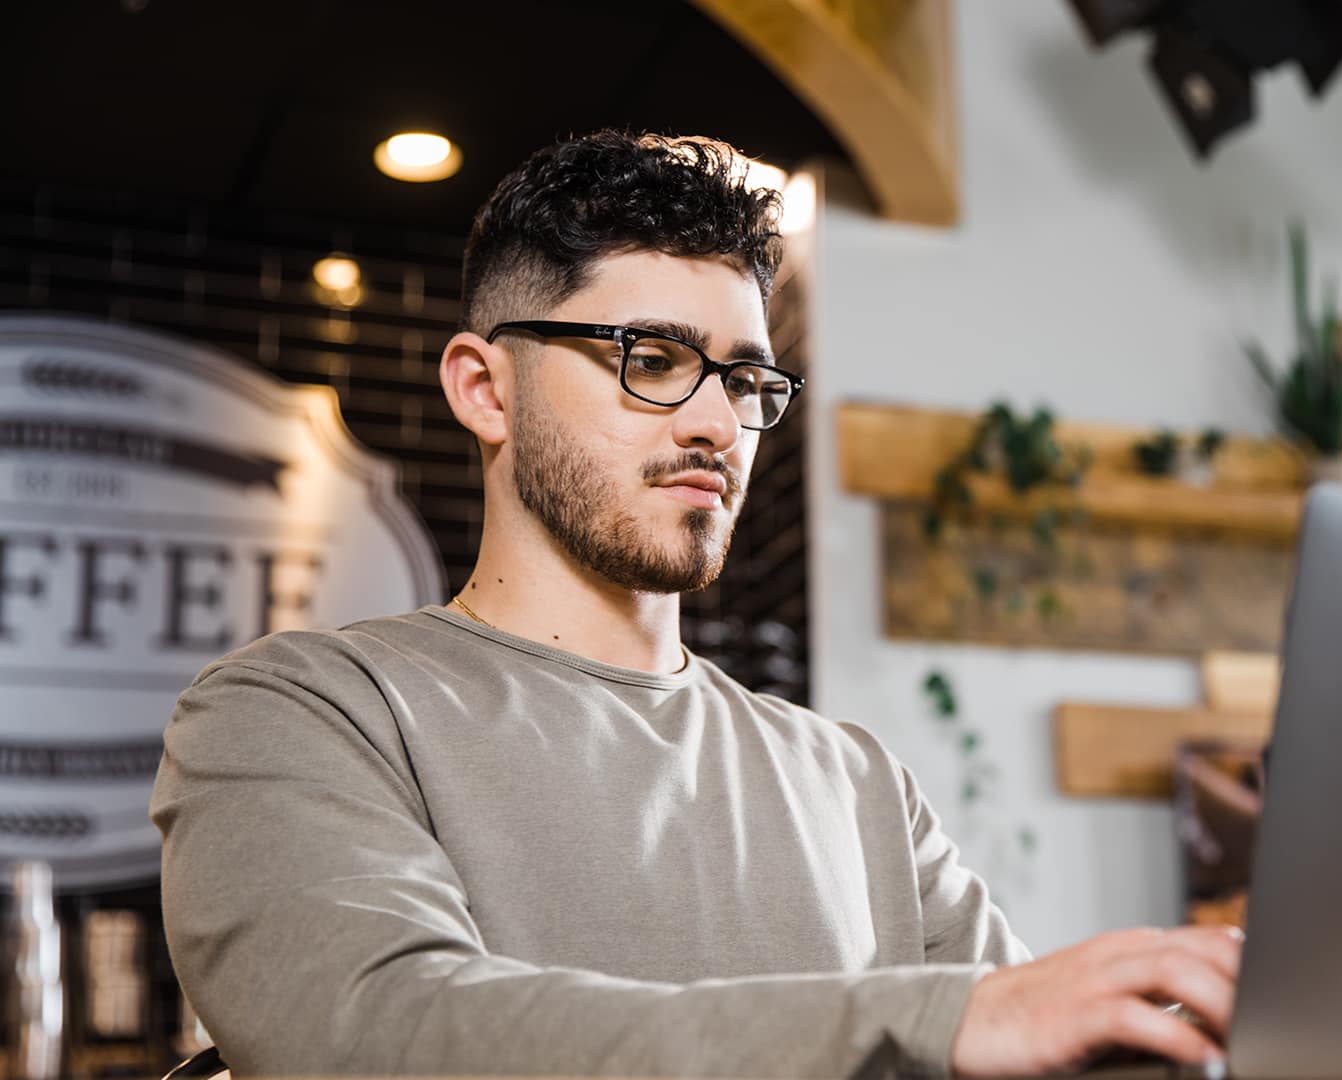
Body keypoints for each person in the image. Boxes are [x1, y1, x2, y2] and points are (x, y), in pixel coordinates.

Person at [151, 130, 1240, 1077]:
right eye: (655, 359)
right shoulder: (297, 712)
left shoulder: (857, 782)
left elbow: (1024, 1046)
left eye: (746, 382)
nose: (718, 425)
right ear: (486, 389)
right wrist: (928, 1020)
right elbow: (375, 1040)